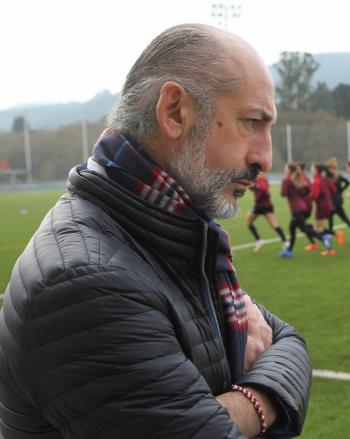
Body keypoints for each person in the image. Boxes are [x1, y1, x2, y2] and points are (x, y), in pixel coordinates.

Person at [0, 24, 312, 438]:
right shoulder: (87, 282)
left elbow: (291, 341)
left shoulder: (171, 231)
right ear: (174, 112)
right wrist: (264, 399)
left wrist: (230, 405)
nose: (265, 157)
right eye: (251, 122)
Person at [280, 162, 319, 257]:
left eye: (285, 168)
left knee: (304, 228)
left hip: (297, 209)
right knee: (294, 228)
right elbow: (307, 190)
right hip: (303, 206)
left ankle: (323, 235)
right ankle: (289, 251)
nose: (284, 170)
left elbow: (283, 193)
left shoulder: (288, 180)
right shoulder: (298, 178)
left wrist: (286, 187)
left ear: (289, 170)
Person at [246, 170, 288, 251]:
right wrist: (253, 187)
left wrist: (258, 189)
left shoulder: (261, 180)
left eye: (260, 172)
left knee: (249, 221)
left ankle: (259, 240)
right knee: (274, 224)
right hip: (266, 206)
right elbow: (254, 188)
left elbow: (264, 190)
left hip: (260, 206)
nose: (259, 174)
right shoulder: (261, 180)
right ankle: (285, 241)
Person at [310, 163, 337, 256]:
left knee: (318, 230)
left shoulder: (316, 181)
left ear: (317, 171)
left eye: (312, 169)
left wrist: (306, 197)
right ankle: (331, 237)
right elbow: (334, 190)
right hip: (328, 205)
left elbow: (314, 196)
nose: (311, 171)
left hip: (322, 207)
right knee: (317, 228)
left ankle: (329, 248)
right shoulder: (324, 179)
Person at [325, 157, 350, 245]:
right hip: (338, 198)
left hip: (333, 200)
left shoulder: (329, 177)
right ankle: (330, 232)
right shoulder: (338, 175)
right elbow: (347, 182)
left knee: (341, 217)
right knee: (330, 216)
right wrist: (341, 190)